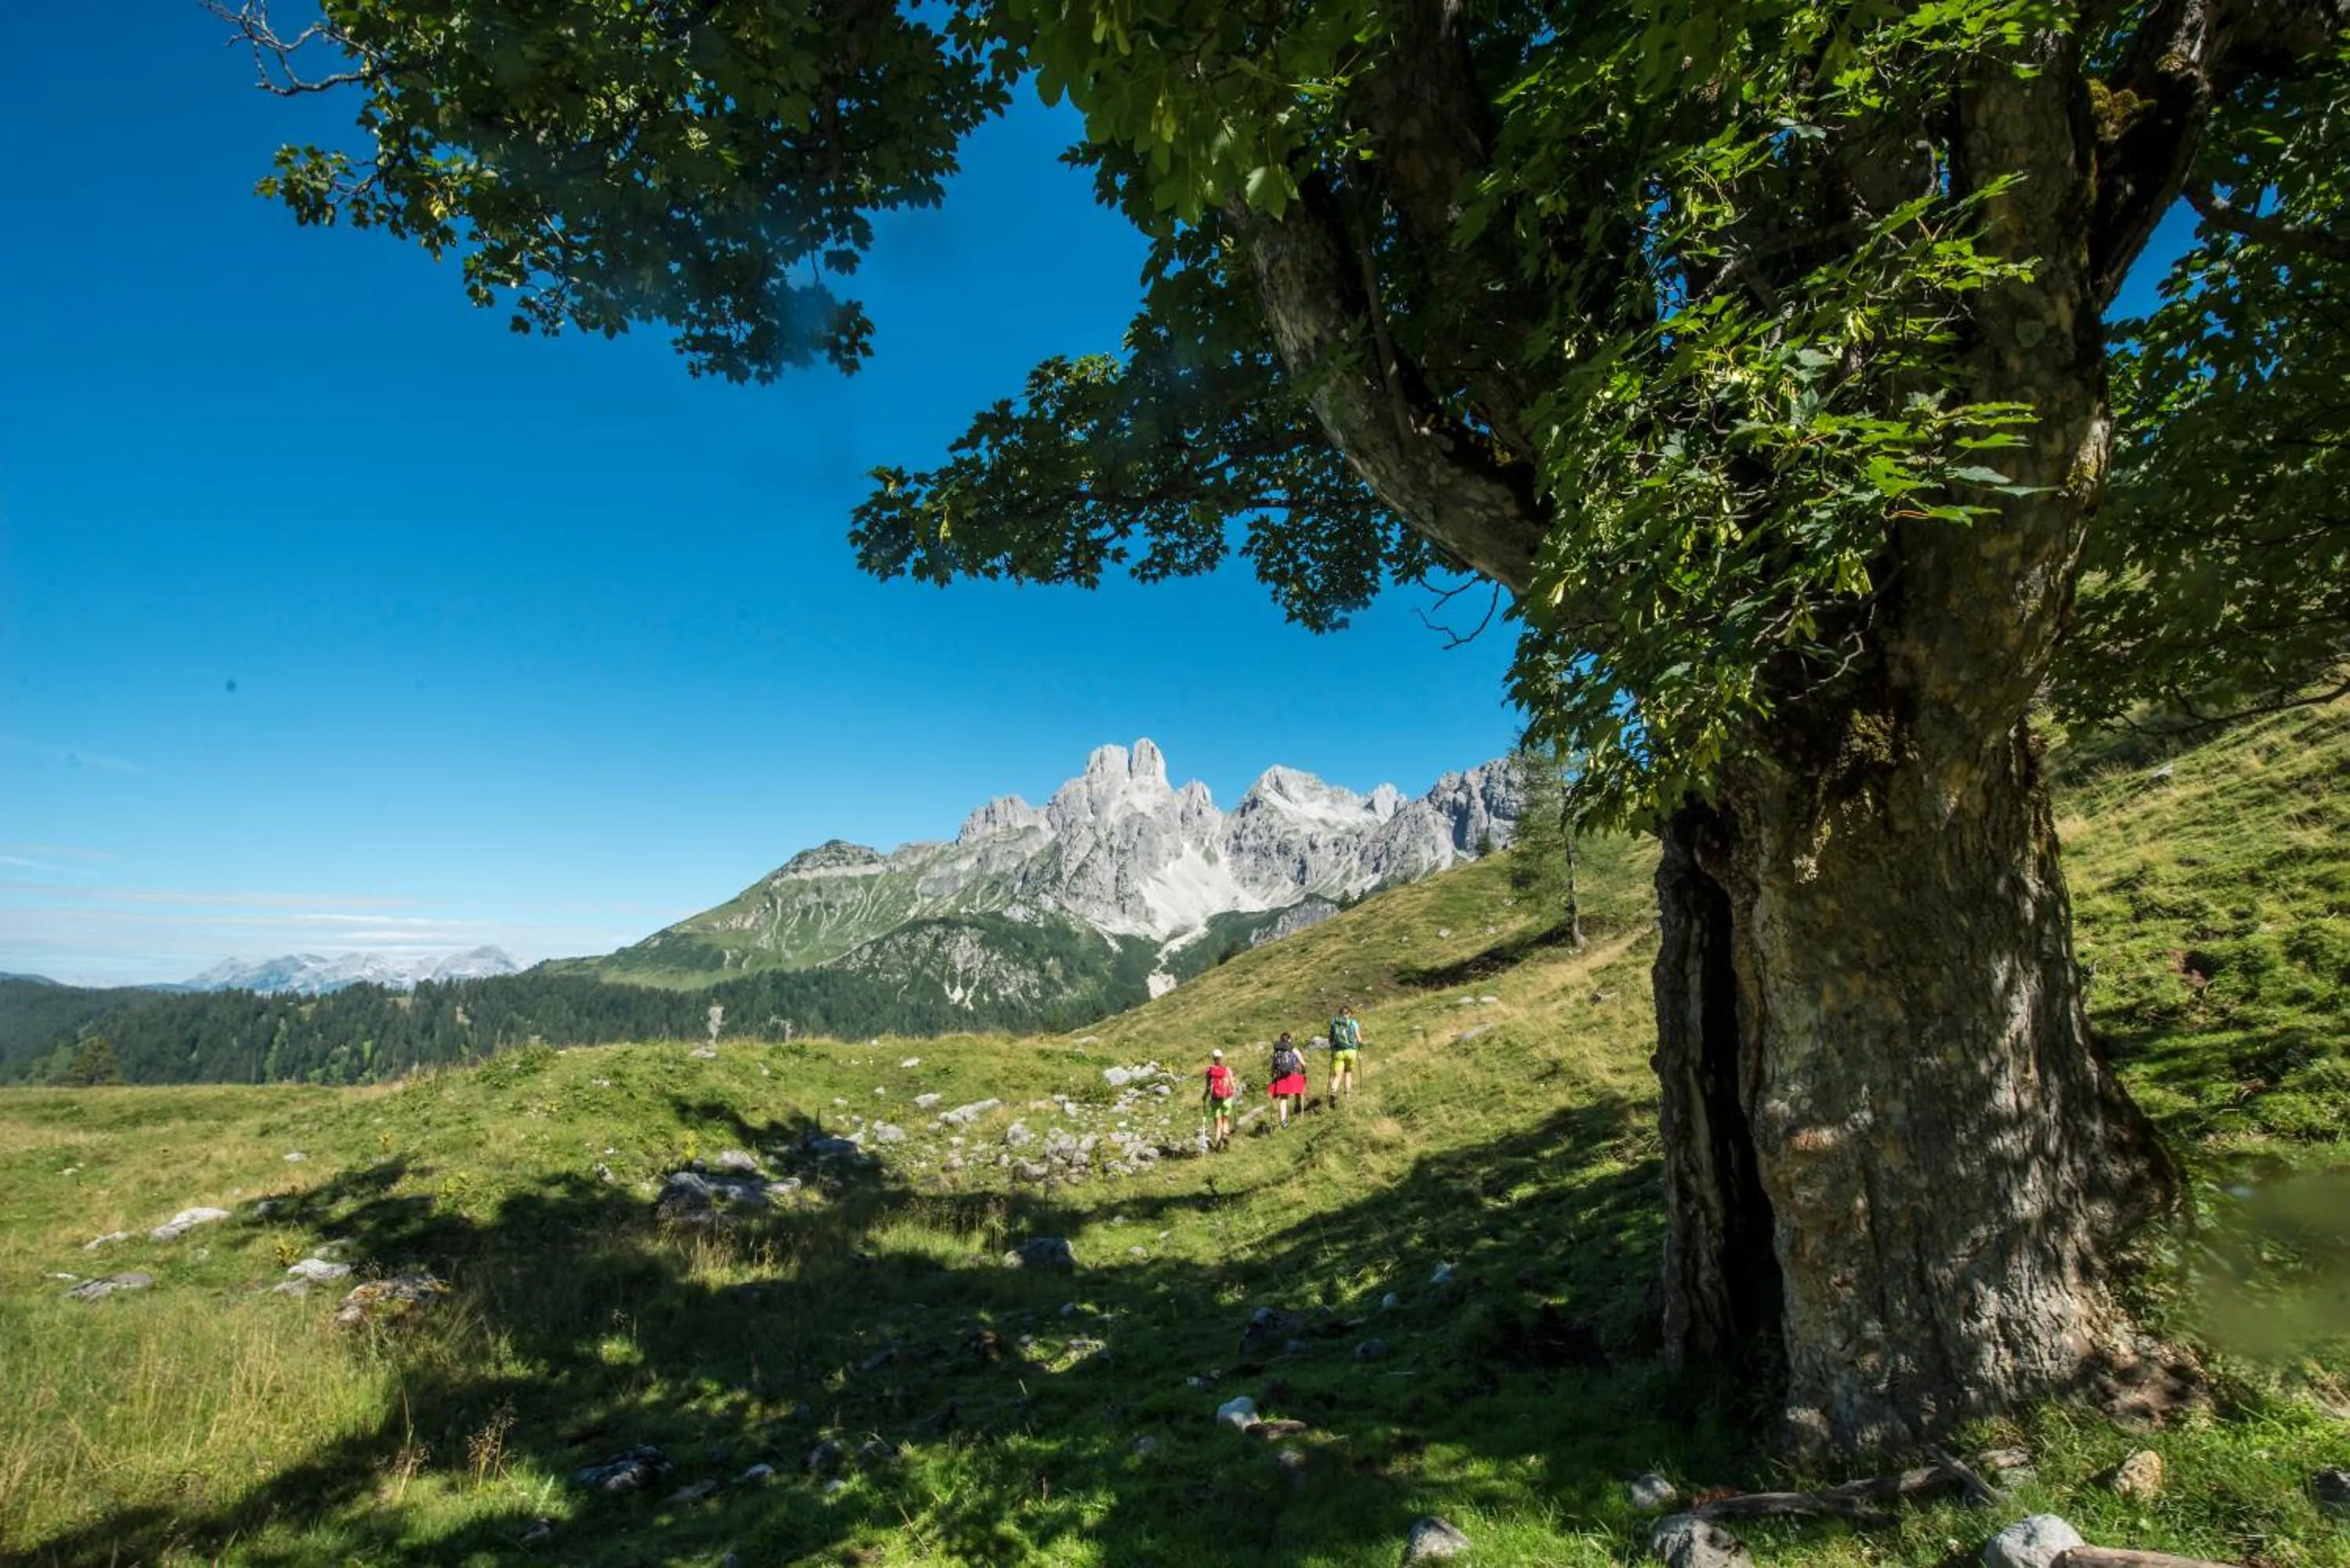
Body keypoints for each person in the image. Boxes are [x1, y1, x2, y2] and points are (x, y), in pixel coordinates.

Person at [1327, 1003, 1364, 1107]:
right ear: (1349, 1013)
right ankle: (1347, 1096)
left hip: (1338, 1052)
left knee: (1337, 1075)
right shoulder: (1353, 1023)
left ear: (1340, 1013)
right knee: (1348, 1072)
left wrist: (1332, 1048)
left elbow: (1330, 1039)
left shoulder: (1334, 1022)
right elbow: (1359, 1039)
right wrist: (1360, 1049)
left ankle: (1333, 1092)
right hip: (1351, 1052)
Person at [1268, 1031, 1307, 1127]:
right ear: (1289, 1040)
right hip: (1293, 1074)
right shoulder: (1293, 1049)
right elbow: (1303, 1063)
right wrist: (1304, 1070)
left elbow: (1273, 1066)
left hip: (1281, 1076)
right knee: (1299, 1089)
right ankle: (1298, 1105)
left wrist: (1273, 1074)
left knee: (1283, 1098)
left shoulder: (1277, 1051)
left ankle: (1283, 1121)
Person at [1202, 1048, 1238, 1151]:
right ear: (1221, 1058)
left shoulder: (1209, 1070)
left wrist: (1204, 1096)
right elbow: (1232, 1085)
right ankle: (1225, 1135)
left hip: (1215, 1099)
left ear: (1213, 1058)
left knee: (1218, 1124)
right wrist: (1233, 1094)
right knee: (1225, 1120)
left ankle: (1218, 1146)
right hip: (1227, 1099)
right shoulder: (1227, 1069)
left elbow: (1208, 1087)